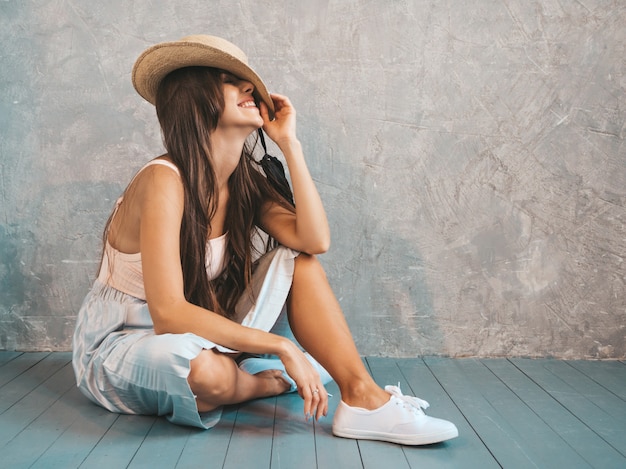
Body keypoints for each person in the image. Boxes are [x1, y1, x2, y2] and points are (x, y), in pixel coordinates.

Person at [72, 34, 458, 445]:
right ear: (195, 98)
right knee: (205, 374)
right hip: (124, 343)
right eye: (228, 80)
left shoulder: (243, 183)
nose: (248, 88)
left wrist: (290, 145)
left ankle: (363, 398)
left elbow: (314, 241)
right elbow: (168, 314)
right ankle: (258, 384)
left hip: (198, 334)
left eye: (247, 81)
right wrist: (282, 348)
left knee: (300, 261)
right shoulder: (163, 180)